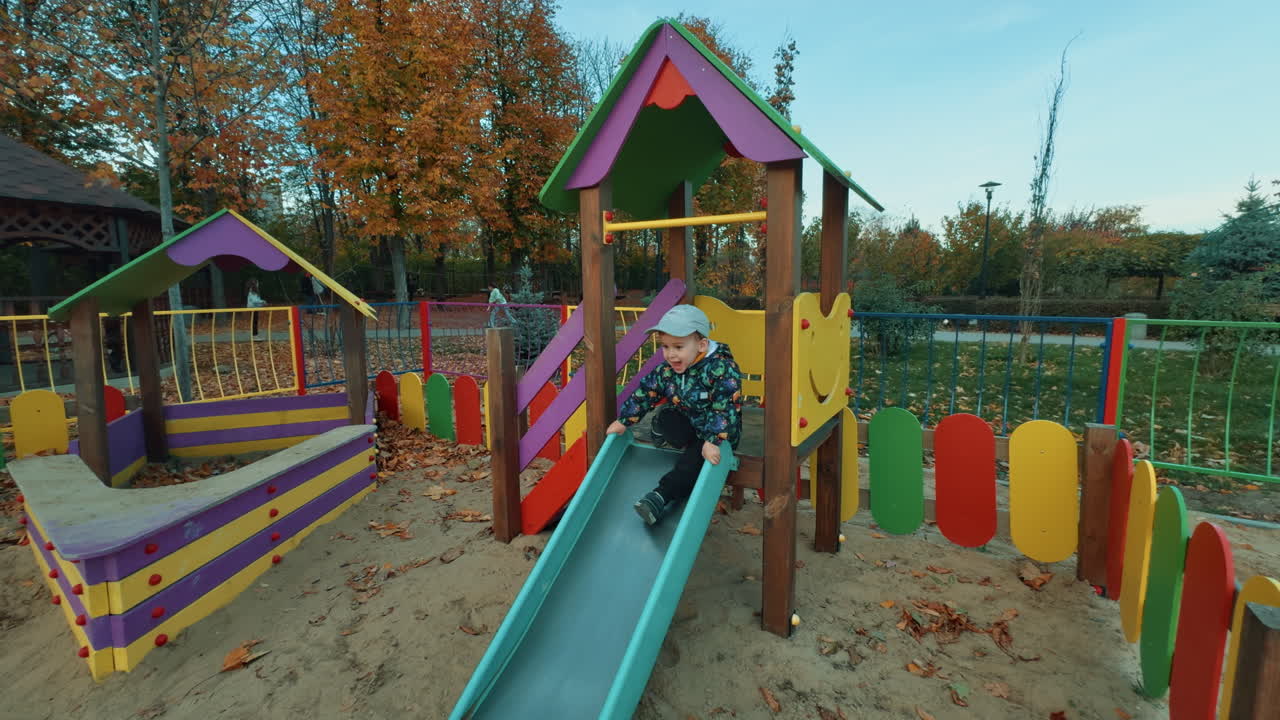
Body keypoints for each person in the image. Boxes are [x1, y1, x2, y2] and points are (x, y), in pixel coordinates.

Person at [607, 304, 743, 526]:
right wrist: (624, 420)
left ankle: (660, 496)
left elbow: (724, 406)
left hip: (716, 430)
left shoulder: (721, 369)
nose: (671, 354)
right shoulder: (667, 370)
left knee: (692, 461)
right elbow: (645, 393)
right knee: (666, 416)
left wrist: (713, 440)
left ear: (701, 345)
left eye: (678, 346)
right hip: (687, 420)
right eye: (665, 346)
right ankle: (661, 428)